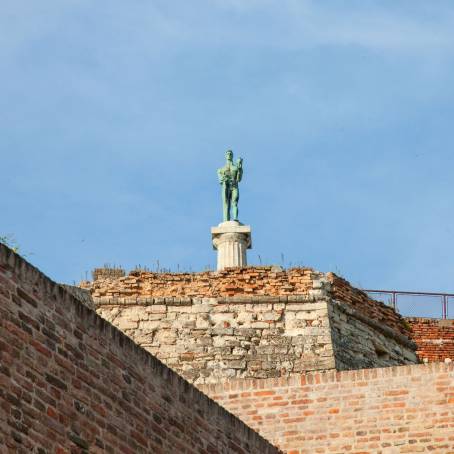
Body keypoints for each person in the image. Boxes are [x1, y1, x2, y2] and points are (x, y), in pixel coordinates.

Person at [217, 150, 243, 222]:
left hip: (234, 186)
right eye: (227, 153)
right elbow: (220, 180)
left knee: (234, 202)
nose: (229, 154)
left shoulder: (236, 168)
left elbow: (239, 179)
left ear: (232, 156)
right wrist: (224, 178)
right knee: (226, 203)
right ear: (225, 156)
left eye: (230, 153)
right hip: (226, 186)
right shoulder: (220, 169)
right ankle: (226, 220)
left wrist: (240, 168)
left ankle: (235, 218)